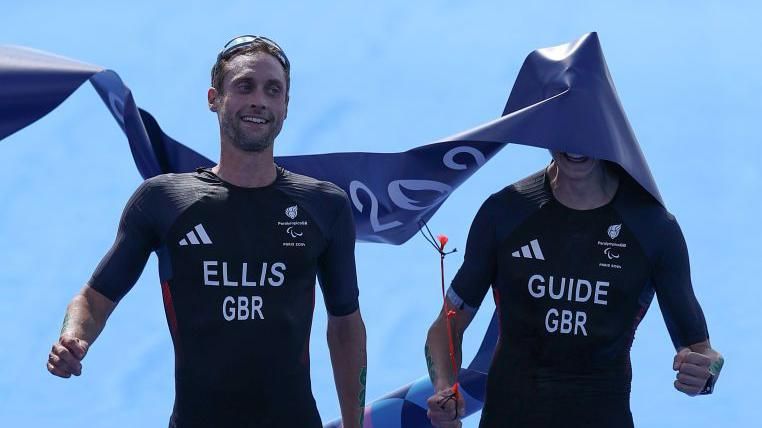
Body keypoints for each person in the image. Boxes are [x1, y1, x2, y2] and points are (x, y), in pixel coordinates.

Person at [46, 35, 367, 428]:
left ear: (285, 106)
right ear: (214, 98)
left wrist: (355, 424)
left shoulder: (324, 206)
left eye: (273, 90)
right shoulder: (163, 200)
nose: (259, 101)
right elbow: (94, 300)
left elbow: (346, 325)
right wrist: (72, 337)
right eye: (244, 86)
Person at [424, 152, 723, 427]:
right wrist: (444, 390)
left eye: (587, 131)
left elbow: (702, 352)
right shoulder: (504, 213)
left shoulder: (653, 228)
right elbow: (447, 326)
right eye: (566, 129)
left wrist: (705, 375)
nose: (575, 146)